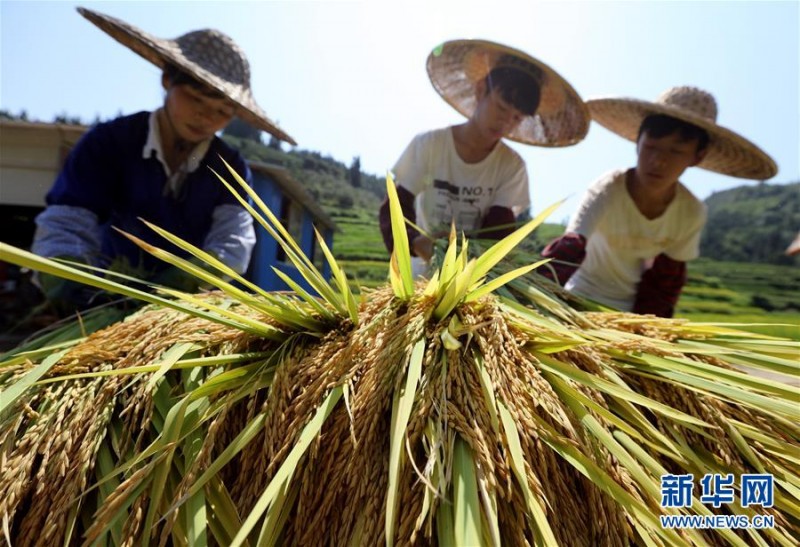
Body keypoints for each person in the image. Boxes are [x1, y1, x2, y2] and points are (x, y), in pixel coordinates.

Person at [32, 7, 295, 314]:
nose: (206, 116)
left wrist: (184, 281)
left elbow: (233, 241)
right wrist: (68, 279)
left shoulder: (230, 168)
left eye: (222, 111)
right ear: (168, 80)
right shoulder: (109, 142)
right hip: (102, 298)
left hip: (184, 310)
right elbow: (68, 218)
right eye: (196, 98)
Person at [540, 86, 778, 317]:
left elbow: (666, 281)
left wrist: (650, 328)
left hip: (630, 314)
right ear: (638, 142)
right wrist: (536, 300)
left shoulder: (690, 212)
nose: (658, 161)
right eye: (651, 147)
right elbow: (567, 251)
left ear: (697, 156)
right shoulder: (608, 189)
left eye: (676, 152)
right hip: (576, 297)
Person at [379, 39, 590, 276]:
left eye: (516, 118)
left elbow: (497, 232)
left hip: (470, 279)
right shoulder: (430, 144)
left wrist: (469, 262)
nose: (506, 123)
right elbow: (395, 207)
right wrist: (416, 244)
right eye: (500, 108)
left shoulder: (512, 167)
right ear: (481, 91)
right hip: (416, 274)